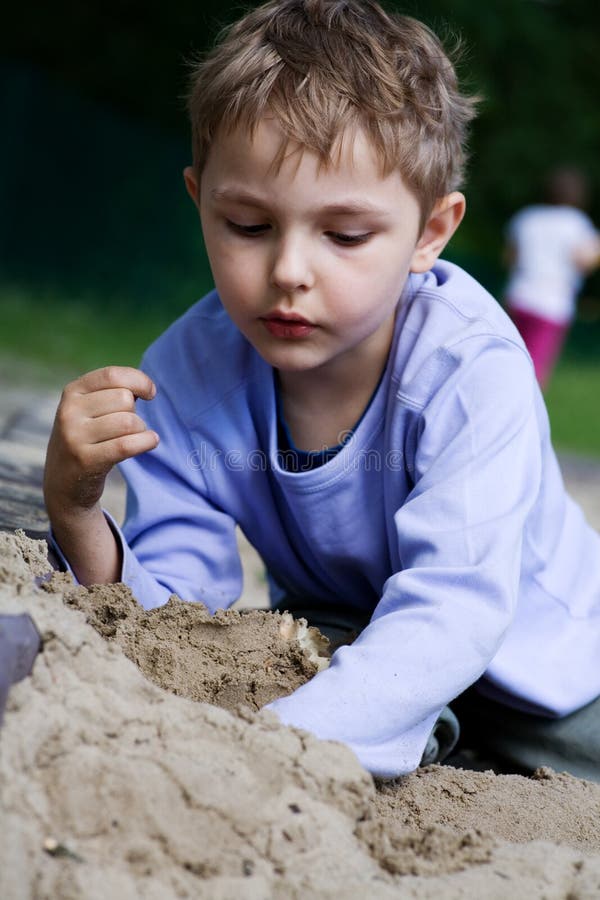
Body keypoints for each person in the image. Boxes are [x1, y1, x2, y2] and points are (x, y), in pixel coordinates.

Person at [44, 0, 600, 781]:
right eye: (247, 224)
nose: (290, 271)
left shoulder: (469, 367)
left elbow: (458, 605)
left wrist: (275, 745)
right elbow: (170, 617)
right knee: (304, 659)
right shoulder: (183, 377)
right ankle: (411, 734)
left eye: (344, 235)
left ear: (430, 233)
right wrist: (75, 510)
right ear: (200, 199)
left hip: (542, 655)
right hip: (350, 626)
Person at [504, 167, 600, 389]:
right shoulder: (576, 223)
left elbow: (510, 258)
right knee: (535, 367)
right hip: (551, 304)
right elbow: (583, 261)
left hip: (519, 296)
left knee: (509, 354)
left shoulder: (527, 217)